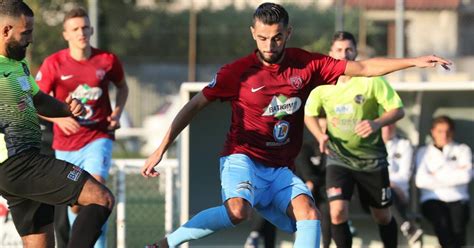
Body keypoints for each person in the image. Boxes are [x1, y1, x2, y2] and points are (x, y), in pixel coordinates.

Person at [141, 3, 450, 248]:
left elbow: (365, 67)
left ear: (288, 33)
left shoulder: (307, 64)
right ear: (253, 33)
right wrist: (160, 149)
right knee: (237, 212)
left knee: (309, 214)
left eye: (276, 37)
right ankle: (169, 243)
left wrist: (414, 60)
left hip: (279, 169)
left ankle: (261, 200)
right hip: (242, 158)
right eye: (262, 37)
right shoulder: (237, 73)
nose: (269, 44)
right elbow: (194, 105)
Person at [0, 1, 115, 248]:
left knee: (40, 244)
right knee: (101, 198)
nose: (30, 39)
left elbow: (38, 99)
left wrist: (66, 108)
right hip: (17, 163)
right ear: (6, 30)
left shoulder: (17, 64)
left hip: (22, 164)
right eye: (26, 32)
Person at [35, 7, 129, 248]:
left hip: (98, 137)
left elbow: (123, 87)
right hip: (66, 143)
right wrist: (59, 119)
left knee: (98, 193)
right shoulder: (53, 64)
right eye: (75, 29)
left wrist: (117, 113)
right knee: (77, 203)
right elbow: (34, 103)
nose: (81, 33)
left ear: (92, 30)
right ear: (65, 34)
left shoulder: (107, 60)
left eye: (85, 27)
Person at [304, 31, 405, 248]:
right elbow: (309, 114)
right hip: (338, 158)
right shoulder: (322, 84)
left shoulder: (371, 80)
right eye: (339, 50)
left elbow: (398, 110)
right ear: (331, 53)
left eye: (349, 49)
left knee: (383, 216)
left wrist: (376, 123)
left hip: (372, 159)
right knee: (337, 212)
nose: (344, 54)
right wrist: (320, 135)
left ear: (356, 51)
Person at [415, 115, 472, 248]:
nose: (444, 135)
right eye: (440, 131)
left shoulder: (463, 150)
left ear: (452, 132)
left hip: (458, 199)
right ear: (433, 132)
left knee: (458, 232)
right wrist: (453, 172)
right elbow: (421, 181)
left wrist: (435, 175)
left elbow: (466, 177)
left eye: (448, 131)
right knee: (443, 227)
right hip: (432, 200)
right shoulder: (423, 152)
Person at [382, 123, 423, 246]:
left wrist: (390, 185)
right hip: (371, 197)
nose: (388, 127)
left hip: (398, 195)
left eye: (391, 123)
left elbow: (404, 175)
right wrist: (387, 184)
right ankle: (408, 227)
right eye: (383, 124)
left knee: (386, 197)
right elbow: (365, 174)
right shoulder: (367, 146)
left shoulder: (404, 144)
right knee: (383, 193)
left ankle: (407, 227)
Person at [295, 118, 332, 248]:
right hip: (307, 189)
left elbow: (331, 173)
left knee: (327, 209)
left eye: (326, 128)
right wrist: (310, 181)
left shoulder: (332, 149)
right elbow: (305, 172)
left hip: (325, 190)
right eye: (320, 127)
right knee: (304, 204)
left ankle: (325, 244)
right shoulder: (304, 148)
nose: (323, 132)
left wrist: (314, 181)